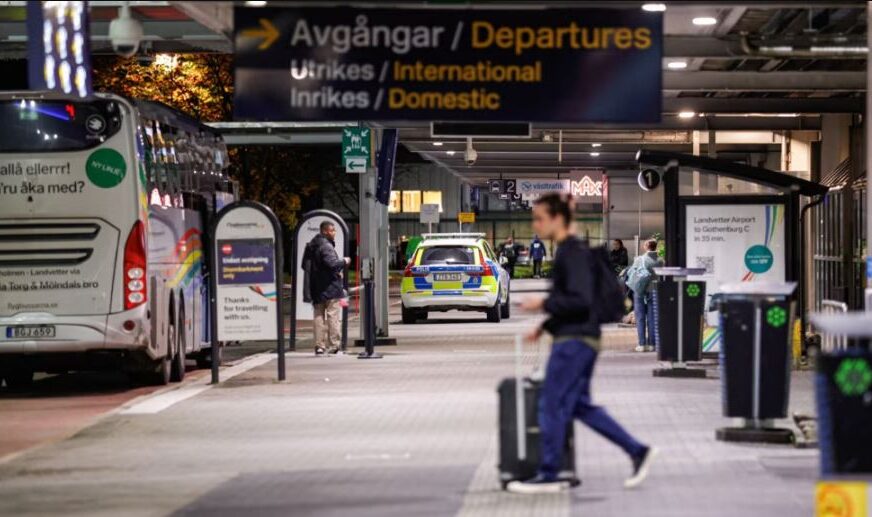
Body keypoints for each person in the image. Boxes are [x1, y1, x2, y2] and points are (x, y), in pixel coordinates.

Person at [508, 193, 657, 495]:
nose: (535, 225)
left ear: (558, 218)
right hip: (581, 336)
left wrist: (543, 303)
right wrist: (546, 325)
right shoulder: (572, 251)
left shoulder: (570, 252)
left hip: (573, 341)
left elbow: (579, 299)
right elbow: (578, 299)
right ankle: (637, 450)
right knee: (578, 405)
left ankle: (550, 473)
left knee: (550, 403)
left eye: (539, 218)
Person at [302, 221, 351, 356]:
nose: (334, 233)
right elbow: (332, 264)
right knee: (332, 316)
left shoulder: (311, 246)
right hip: (330, 287)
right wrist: (345, 261)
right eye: (332, 230)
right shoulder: (326, 246)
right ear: (324, 231)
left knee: (318, 316)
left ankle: (319, 346)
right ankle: (334, 345)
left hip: (316, 287)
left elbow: (304, 266)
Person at [626, 240, 663, 353]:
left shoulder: (639, 259)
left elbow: (631, 273)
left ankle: (642, 344)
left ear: (646, 246)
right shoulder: (661, 261)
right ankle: (652, 344)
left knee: (640, 317)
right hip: (654, 291)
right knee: (652, 317)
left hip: (640, 291)